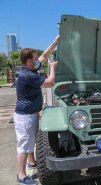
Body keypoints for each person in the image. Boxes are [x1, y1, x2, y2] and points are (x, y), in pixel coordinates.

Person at [14, 35, 60, 185]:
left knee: (30, 141)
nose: (37, 60)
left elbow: (44, 55)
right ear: (29, 61)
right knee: (23, 145)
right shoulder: (27, 75)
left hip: (30, 115)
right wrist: (52, 68)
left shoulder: (30, 67)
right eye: (35, 58)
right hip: (25, 117)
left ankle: (31, 162)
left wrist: (55, 42)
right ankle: (21, 175)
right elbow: (50, 83)